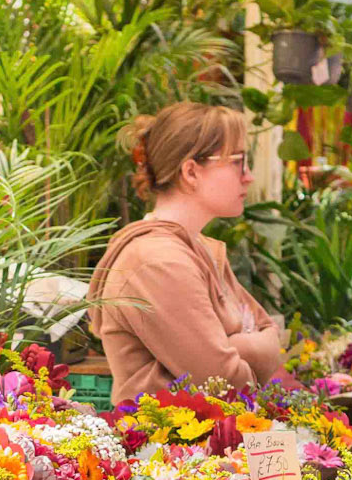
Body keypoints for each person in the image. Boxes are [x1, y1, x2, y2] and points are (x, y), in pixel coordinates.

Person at [86, 102, 284, 404]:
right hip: (170, 446)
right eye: (239, 161)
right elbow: (226, 384)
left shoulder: (196, 249)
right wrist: (242, 347)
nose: (249, 176)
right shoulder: (157, 260)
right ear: (191, 171)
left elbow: (271, 333)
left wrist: (233, 346)